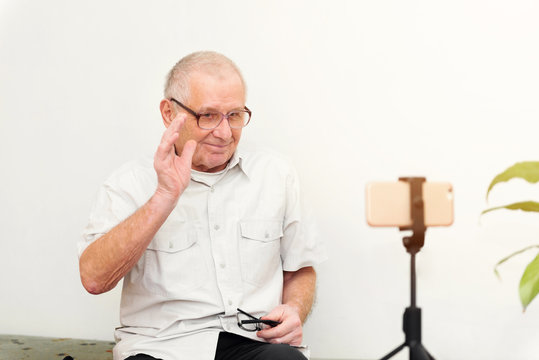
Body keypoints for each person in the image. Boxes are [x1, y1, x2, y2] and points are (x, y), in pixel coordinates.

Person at [78, 51, 326, 360]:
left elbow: (300, 268)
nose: (224, 133)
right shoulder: (129, 183)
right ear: (169, 113)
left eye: (234, 115)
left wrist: (294, 310)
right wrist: (163, 198)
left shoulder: (276, 174)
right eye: (207, 115)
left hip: (252, 343)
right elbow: (94, 279)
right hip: (160, 347)